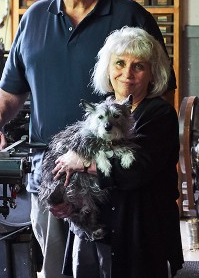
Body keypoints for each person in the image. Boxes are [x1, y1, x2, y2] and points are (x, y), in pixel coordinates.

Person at [0, 0, 177, 277]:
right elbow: (11, 88)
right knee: (56, 264)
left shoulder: (132, 17)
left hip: (110, 173)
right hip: (50, 170)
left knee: (113, 262)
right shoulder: (34, 19)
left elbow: (160, 92)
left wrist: (138, 164)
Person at [53, 26, 184, 277]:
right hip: (98, 227)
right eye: (120, 63)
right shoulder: (101, 110)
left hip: (140, 231)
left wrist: (80, 161)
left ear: (152, 73)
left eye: (139, 66)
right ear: (108, 68)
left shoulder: (159, 114)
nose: (127, 74)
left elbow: (134, 170)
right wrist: (66, 202)